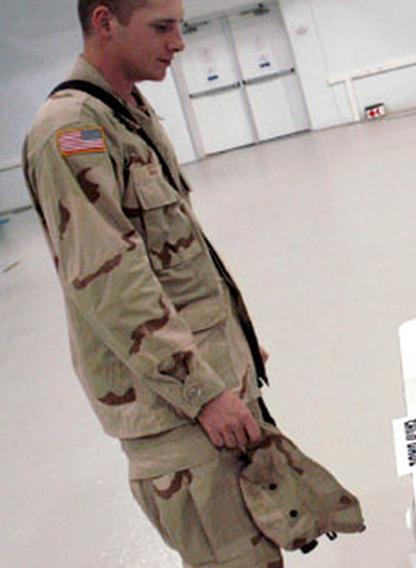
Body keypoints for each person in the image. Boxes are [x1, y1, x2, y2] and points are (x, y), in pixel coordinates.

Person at [22, 1, 284, 566]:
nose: (180, 43)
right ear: (105, 22)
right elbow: (110, 281)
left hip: (204, 379)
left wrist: (232, 339)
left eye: (180, 26)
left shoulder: (126, 111)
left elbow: (173, 252)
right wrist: (203, 390)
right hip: (174, 408)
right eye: (162, 28)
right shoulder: (71, 131)